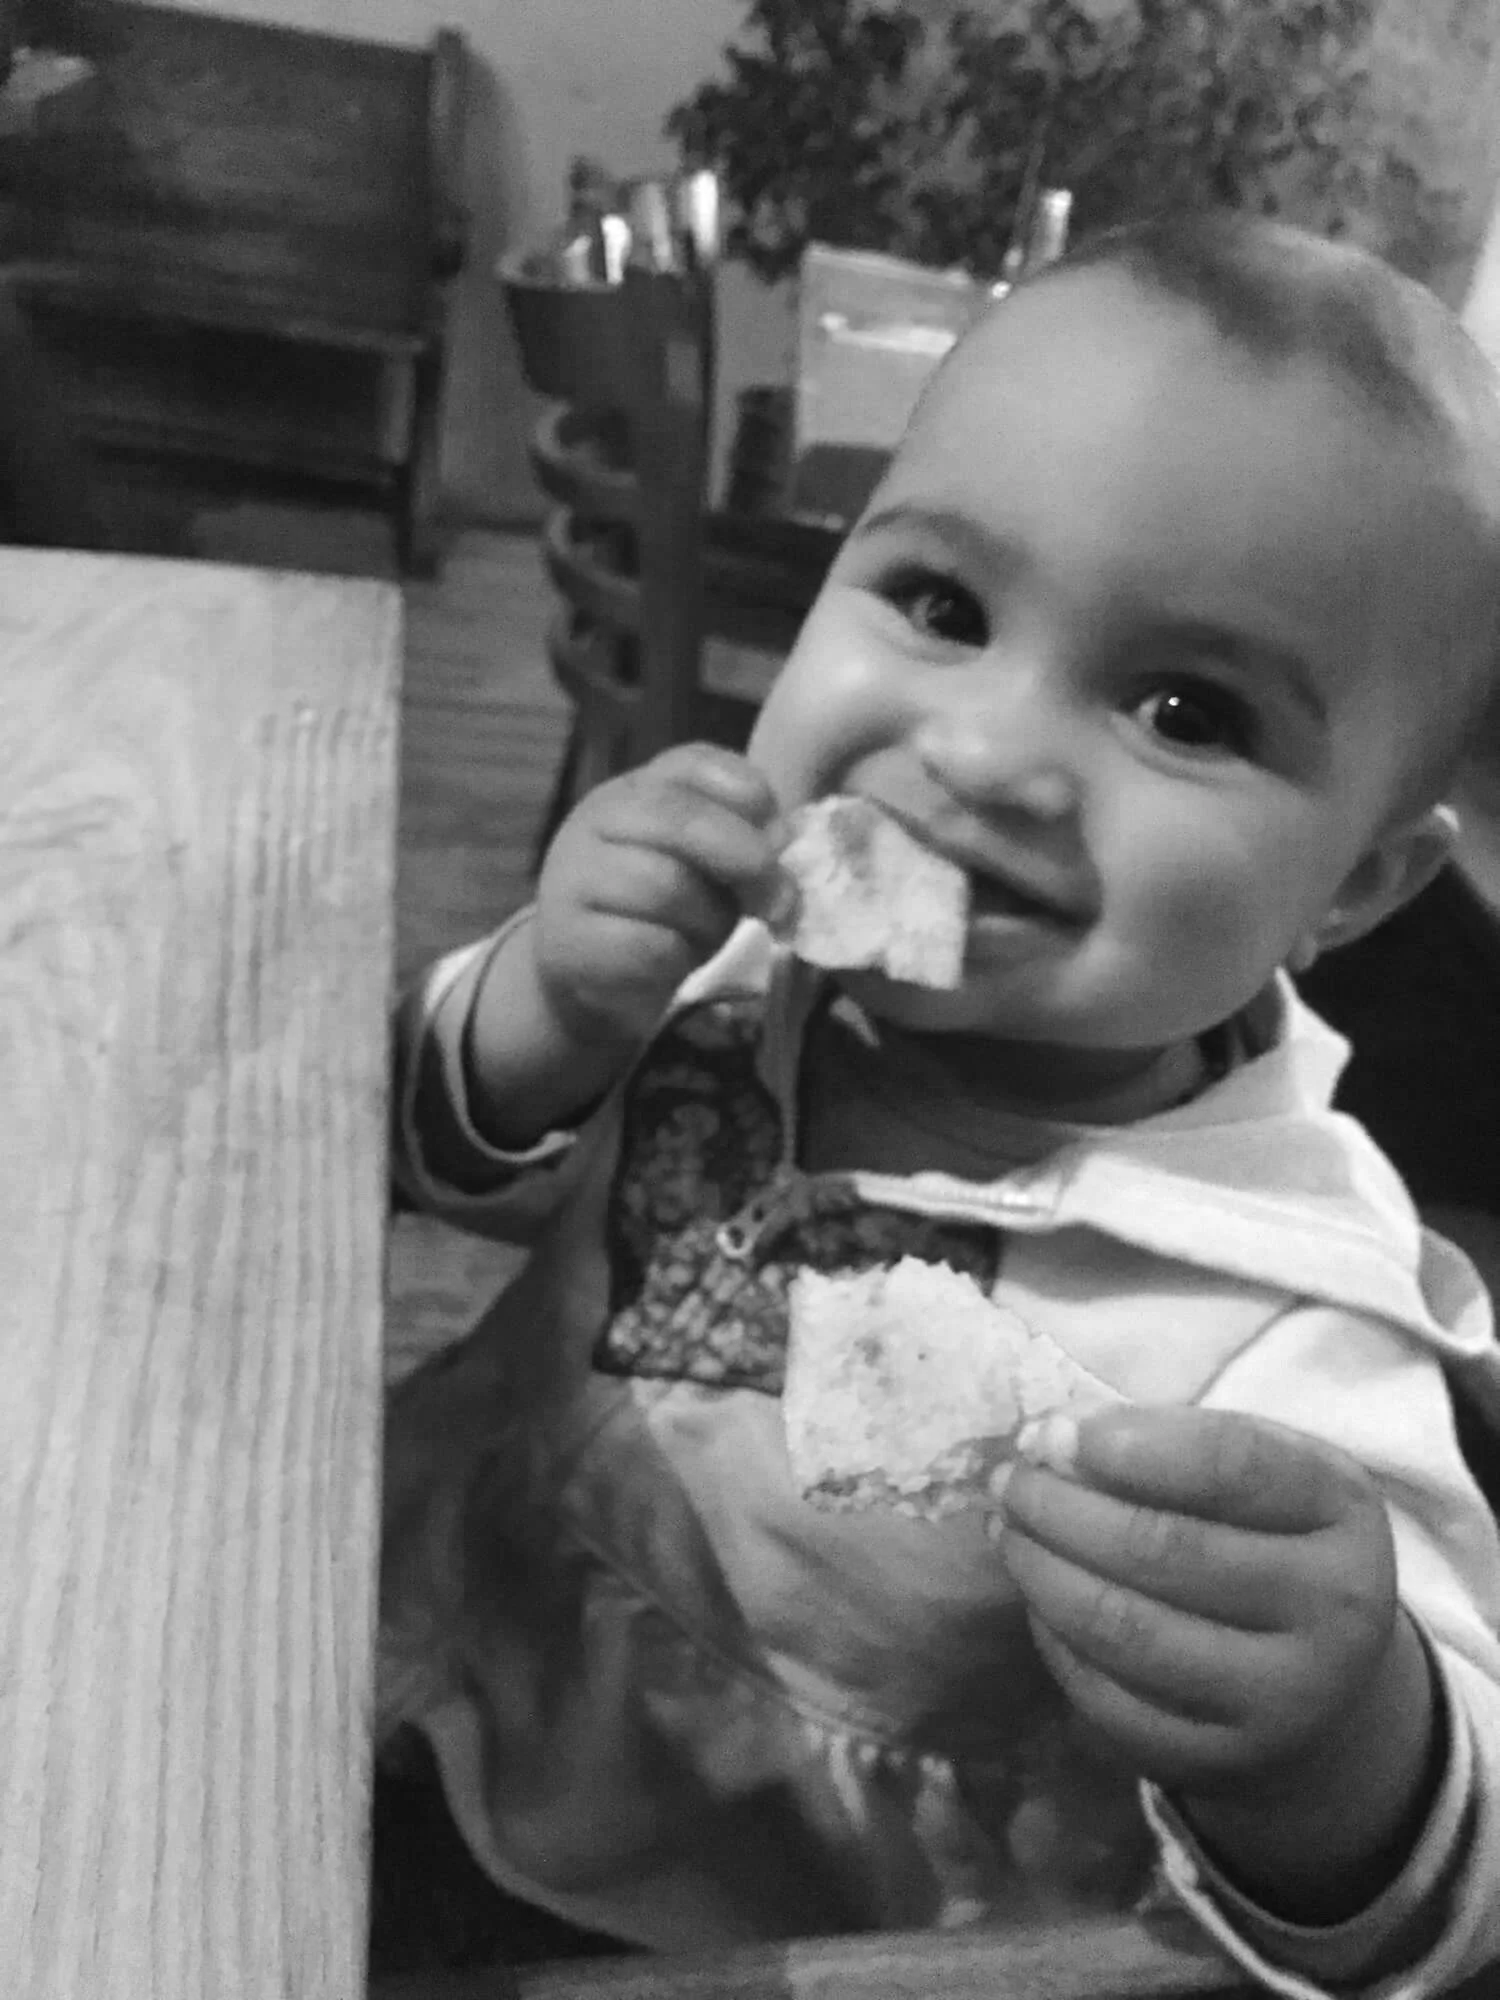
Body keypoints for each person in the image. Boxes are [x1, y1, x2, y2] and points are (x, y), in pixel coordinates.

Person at [379, 213, 1500, 1995]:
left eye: (1185, 710)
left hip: (736, 1932)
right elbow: (426, 1144)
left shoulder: (1287, 1314)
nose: (981, 753)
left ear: (1354, 890)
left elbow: (1451, 1892)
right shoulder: (739, 946)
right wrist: (538, 1005)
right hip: (412, 1639)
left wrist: (1341, 1739)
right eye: (940, 604)